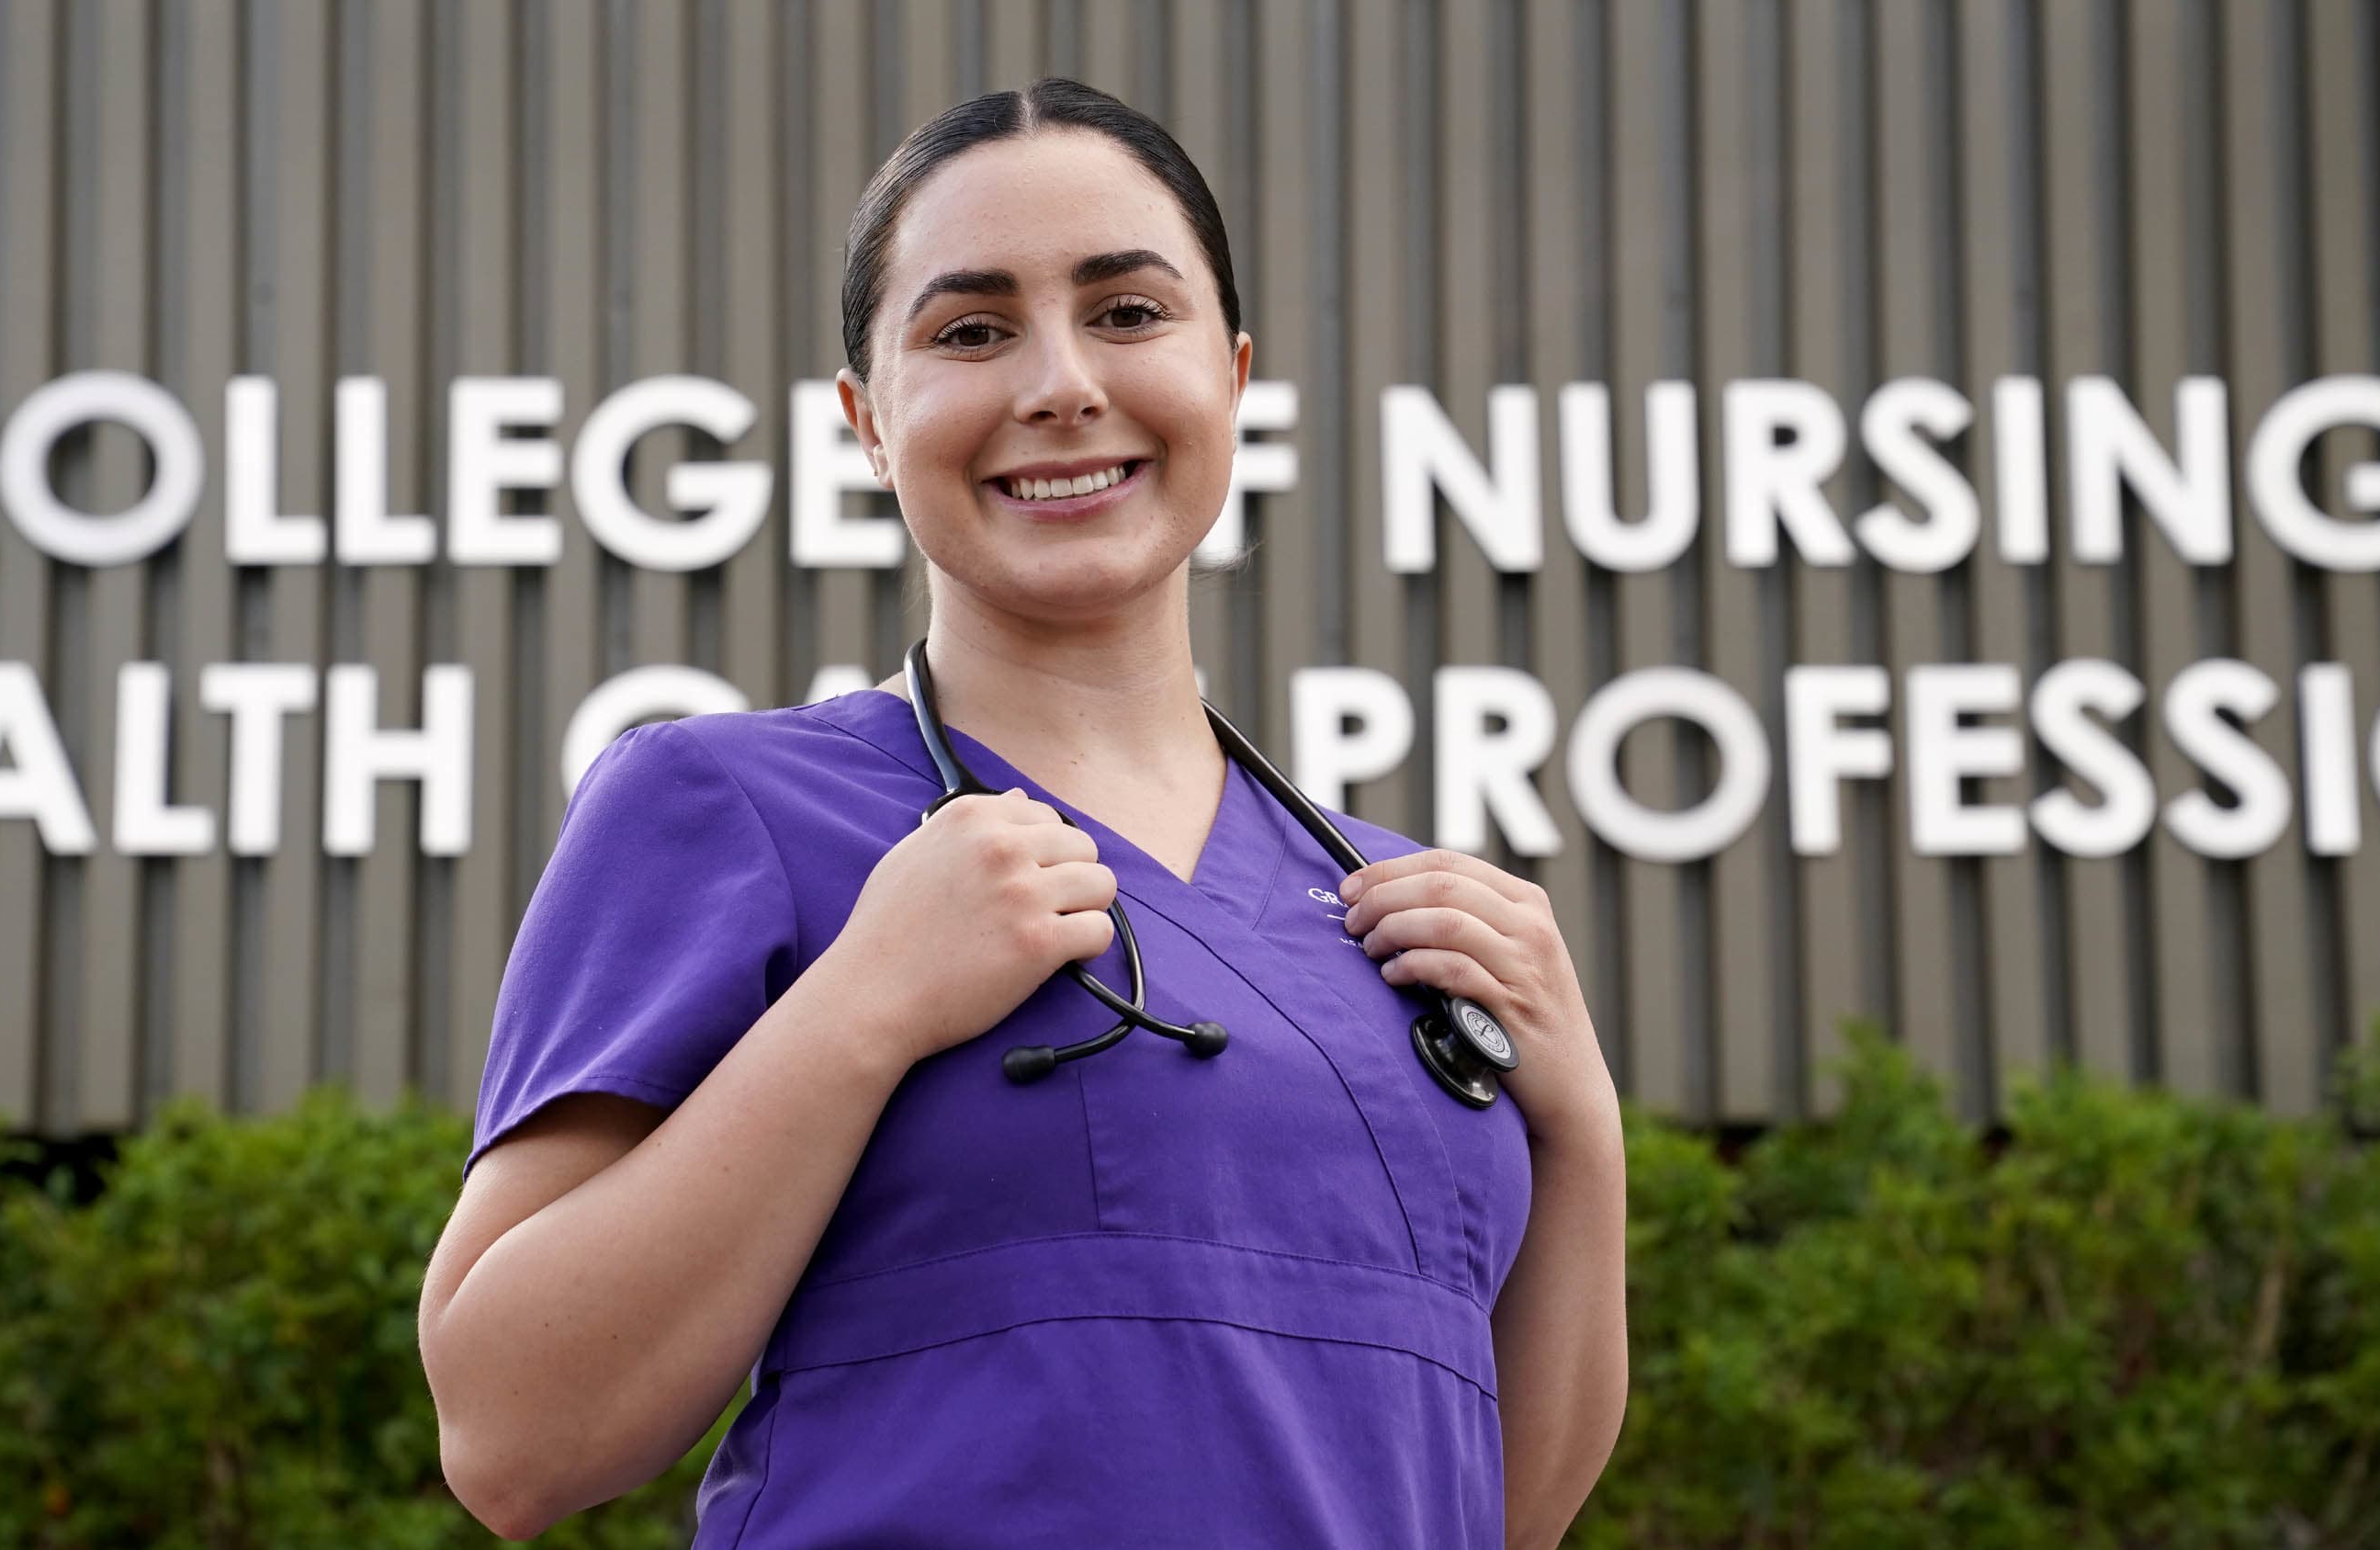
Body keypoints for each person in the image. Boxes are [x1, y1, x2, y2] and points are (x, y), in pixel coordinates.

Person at [418, 78, 1627, 1547]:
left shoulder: (1411, 923)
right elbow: (511, 1439)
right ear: (869, 421)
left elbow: (1496, 1510)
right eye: (971, 330)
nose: (1060, 381)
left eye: (1127, 313)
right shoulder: (731, 808)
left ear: (1232, 375)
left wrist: (1584, 1135)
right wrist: (862, 1005)